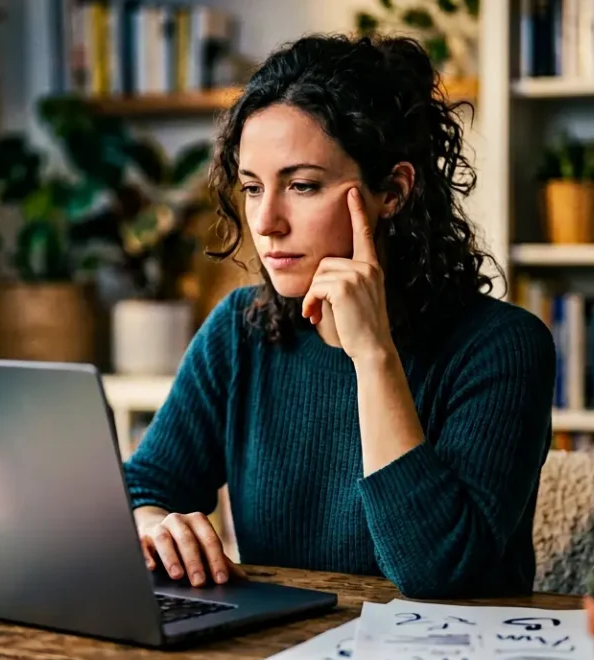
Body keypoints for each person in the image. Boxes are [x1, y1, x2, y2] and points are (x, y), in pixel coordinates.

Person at [121, 33, 556, 599]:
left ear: (394, 191)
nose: (268, 221)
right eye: (253, 188)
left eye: (302, 185)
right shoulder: (240, 330)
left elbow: (438, 572)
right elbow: (142, 488)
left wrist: (374, 356)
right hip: (278, 654)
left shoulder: (503, 348)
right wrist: (156, 527)